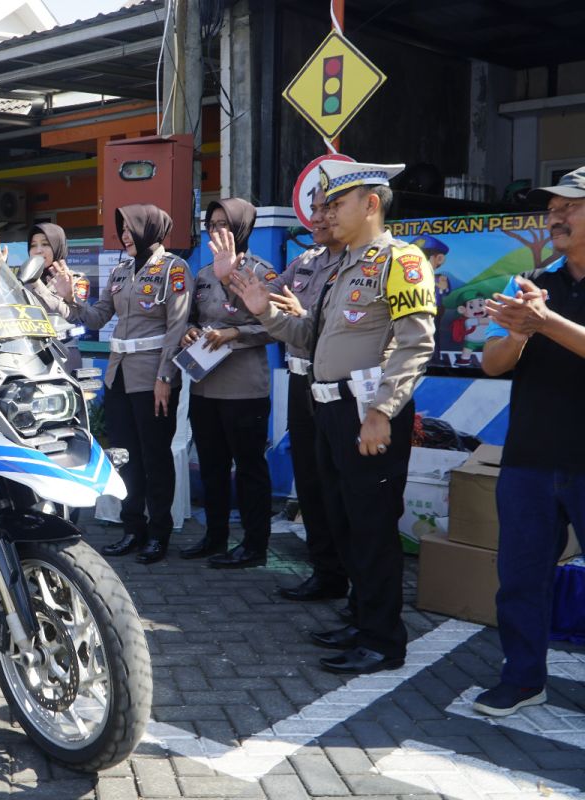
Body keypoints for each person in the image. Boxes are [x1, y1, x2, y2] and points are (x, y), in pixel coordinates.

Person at [230, 160, 436, 675]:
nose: (326, 213)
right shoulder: (342, 265)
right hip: (327, 410)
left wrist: (382, 412)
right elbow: (311, 339)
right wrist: (265, 312)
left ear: (371, 204)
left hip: (364, 412)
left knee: (371, 528)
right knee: (343, 523)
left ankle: (384, 640)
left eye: (337, 204)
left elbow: (415, 347)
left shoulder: (402, 262)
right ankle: (362, 618)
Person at [474, 165, 585, 717]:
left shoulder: (541, 304)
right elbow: (493, 365)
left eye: (570, 206)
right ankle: (522, 678)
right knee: (520, 578)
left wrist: (545, 323)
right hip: (530, 460)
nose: (556, 216)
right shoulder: (528, 286)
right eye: (553, 207)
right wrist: (517, 332)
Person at [38, 204, 192, 564]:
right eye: (121, 229)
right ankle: (132, 528)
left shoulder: (174, 269)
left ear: (150, 229)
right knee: (126, 457)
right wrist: (69, 299)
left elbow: (177, 328)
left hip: (153, 375)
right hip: (119, 374)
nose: (124, 235)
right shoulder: (121, 271)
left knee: (155, 458)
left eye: (130, 228)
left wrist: (165, 377)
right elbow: (96, 316)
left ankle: (158, 533)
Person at [177, 198, 276, 569]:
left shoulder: (261, 272)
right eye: (212, 224)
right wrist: (188, 333)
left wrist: (232, 332)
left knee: (249, 468)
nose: (218, 231)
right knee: (212, 467)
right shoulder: (201, 275)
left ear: (241, 227)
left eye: (224, 224)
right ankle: (214, 537)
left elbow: (273, 326)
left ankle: (254, 545)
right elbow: (190, 319)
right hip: (205, 386)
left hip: (245, 390)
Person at [267, 192, 348, 598]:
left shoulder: (356, 263)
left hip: (339, 384)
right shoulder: (305, 261)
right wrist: (233, 275)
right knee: (311, 482)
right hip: (301, 382)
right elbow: (263, 301)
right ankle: (326, 573)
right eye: (313, 209)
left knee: (341, 486)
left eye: (326, 209)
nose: (316, 217)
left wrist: (300, 316)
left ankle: (354, 579)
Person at [25, 222, 87, 373]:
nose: (38, 250)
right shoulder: (23, 281)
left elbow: (70, 315)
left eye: (45, 244)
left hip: (64, 352)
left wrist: (36, 284)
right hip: (28, 356)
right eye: (33, 245)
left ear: (57, 246)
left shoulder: (77, 280)